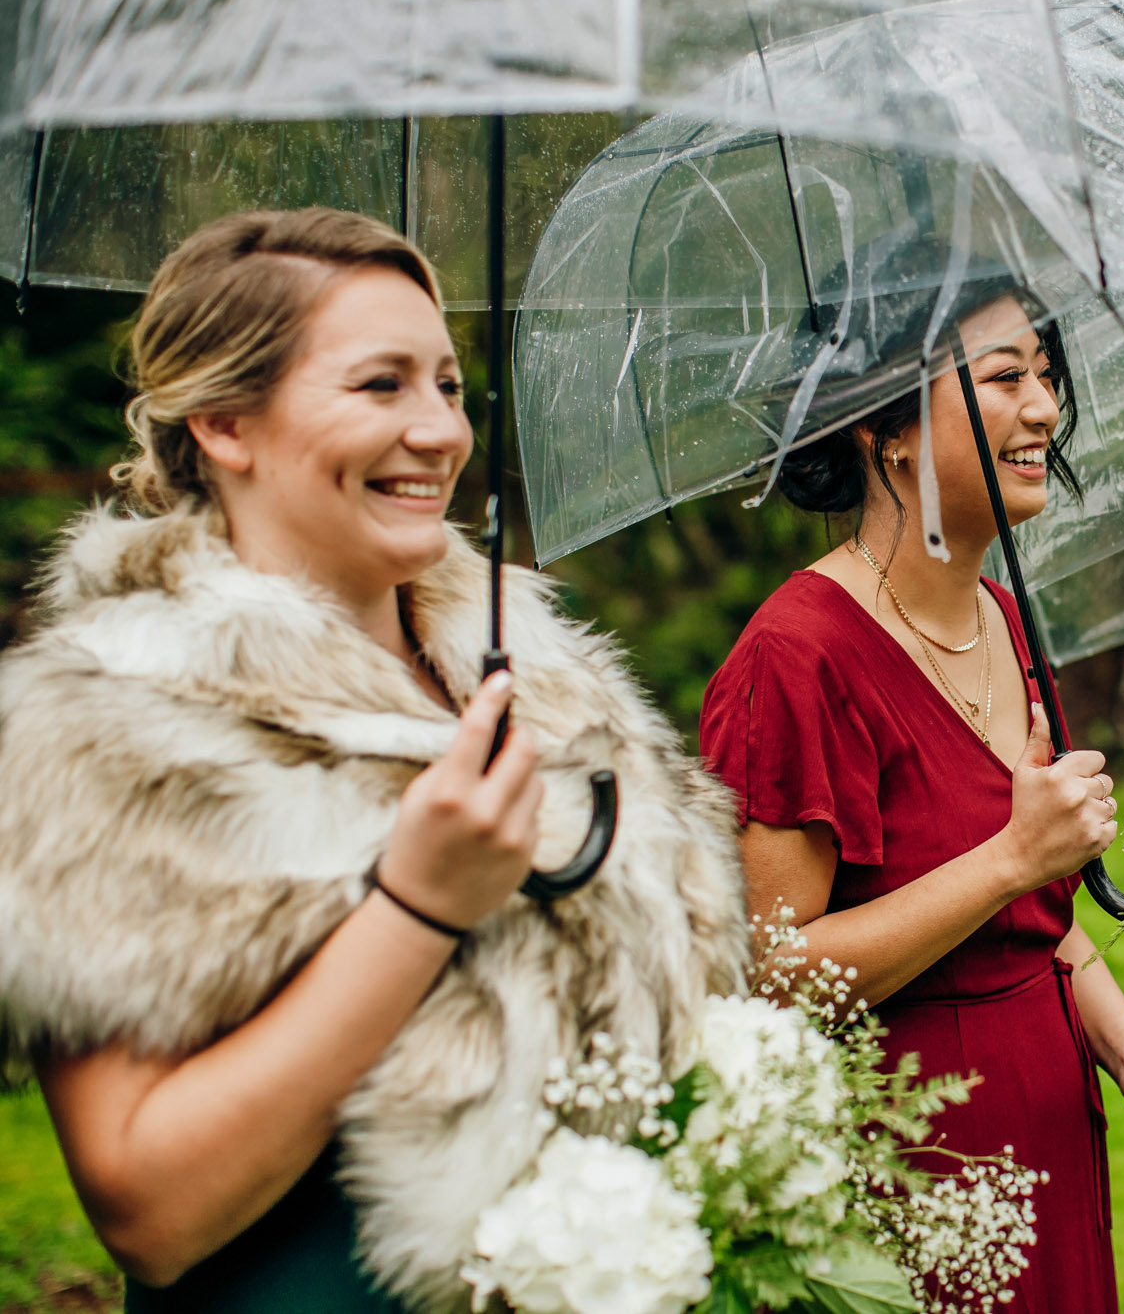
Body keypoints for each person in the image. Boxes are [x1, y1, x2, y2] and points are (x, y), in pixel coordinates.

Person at [0, 209, 746, 1311]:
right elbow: (147, 1211)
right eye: (380, 385)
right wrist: (416, 906)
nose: (442, 431)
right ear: (223, 422)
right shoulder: (104, 723)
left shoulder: (547, 682)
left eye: (446, 384)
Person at [699, 279, 1124, 1313]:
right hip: (910, 1158)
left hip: (1048, 1129)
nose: (1044, 408)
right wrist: (1007, 858)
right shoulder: (796, 656)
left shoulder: (1003, 617)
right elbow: (768, 975)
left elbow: (1033, 925)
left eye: (1045, 375)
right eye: (1003, 378)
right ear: (884, 430)